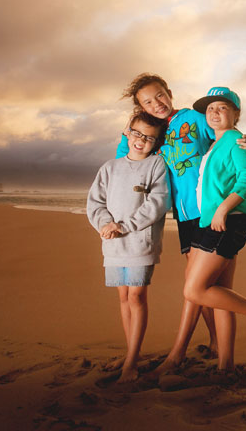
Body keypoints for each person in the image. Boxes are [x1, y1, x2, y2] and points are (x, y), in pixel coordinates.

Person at [115, 73, 246, 374]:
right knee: (209, 286)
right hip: (181, 216)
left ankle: (178, 354)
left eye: (160, 95)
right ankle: (218, 346)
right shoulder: (151, 132)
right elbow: (125, 160)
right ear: (141, 107)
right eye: (147, 102)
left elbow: (225, 131)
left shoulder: (193, 117)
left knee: (197, 285)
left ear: (168, 92)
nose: (157, 104)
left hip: (206, 211)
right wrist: (128, 135)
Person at [181, 87, 246, 370]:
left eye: (222, 107)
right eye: (210, 108)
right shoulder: (216, 143)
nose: (214, 112)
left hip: (229, 219)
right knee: (222, 293)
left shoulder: (235, 140)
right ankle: (226, 365)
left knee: (194, 291)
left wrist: (223, 208)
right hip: (211, 221)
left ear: (236, 114)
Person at [87, 111, 170, 383]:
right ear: (127, 133)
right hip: (113, 245)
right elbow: (95, 202)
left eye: (149, 138)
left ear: (156, 142)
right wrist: (106, 224)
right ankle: (131, 353)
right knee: (123, 298)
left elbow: (158, 203)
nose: (141, 140)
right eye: (137, 133)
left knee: (136, 297)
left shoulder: (156, 165)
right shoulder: (109, 168)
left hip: (140, 244)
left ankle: (131, 362)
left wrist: (125, 226)